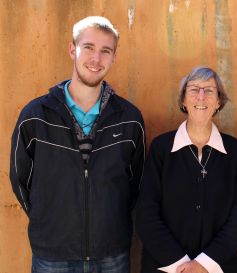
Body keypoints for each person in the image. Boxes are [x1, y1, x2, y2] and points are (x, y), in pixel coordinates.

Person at [9, 16, 145, 273]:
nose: (96, 59)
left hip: (111, 254)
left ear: (114, 57)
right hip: (52, 254)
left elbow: (135, 183)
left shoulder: (129, 118)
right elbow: (20, 180)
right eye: (89, 47)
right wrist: (47, 222)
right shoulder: (35, 115)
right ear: (73, 49)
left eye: (106, 51)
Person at [136, 66, 237, 273]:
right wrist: (183, 266)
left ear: (218, 101)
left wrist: (203, 265)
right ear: (183, 100)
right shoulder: (161, 148)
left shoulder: (235, 152)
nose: (201, 96)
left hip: (218, 268)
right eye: (194, 89)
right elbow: (146, 214)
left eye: (209, 90)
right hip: (165, 268)